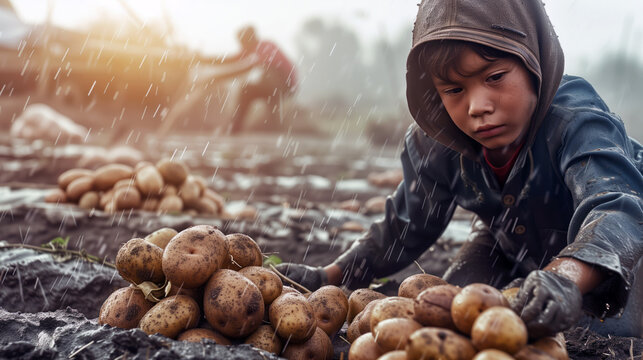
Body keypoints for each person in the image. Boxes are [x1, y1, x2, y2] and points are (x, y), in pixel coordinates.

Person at [275, 0, 643, 338]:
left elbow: (615, 208)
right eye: (454, 90)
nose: (477, 106)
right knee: (452, 312)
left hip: (624, 249)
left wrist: (566, 277)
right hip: (507, 242)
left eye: (495, 77)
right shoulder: (437, 143)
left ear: (535, 62)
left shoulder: (575, 119)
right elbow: (405, 225)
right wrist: (327, 276)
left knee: (602, 331)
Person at [215, 25, 298, 134]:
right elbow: (232, 59)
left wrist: (217, 77)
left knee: (246, 90)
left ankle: (235, 129)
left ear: (249, 39)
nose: (241, 46)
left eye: (242, 42)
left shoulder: (265, 47)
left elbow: (243, 68)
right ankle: (275, 128)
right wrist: (202, 60)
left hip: (284, 86)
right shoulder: (256, 47)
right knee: (250, 90)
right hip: (275, 87)